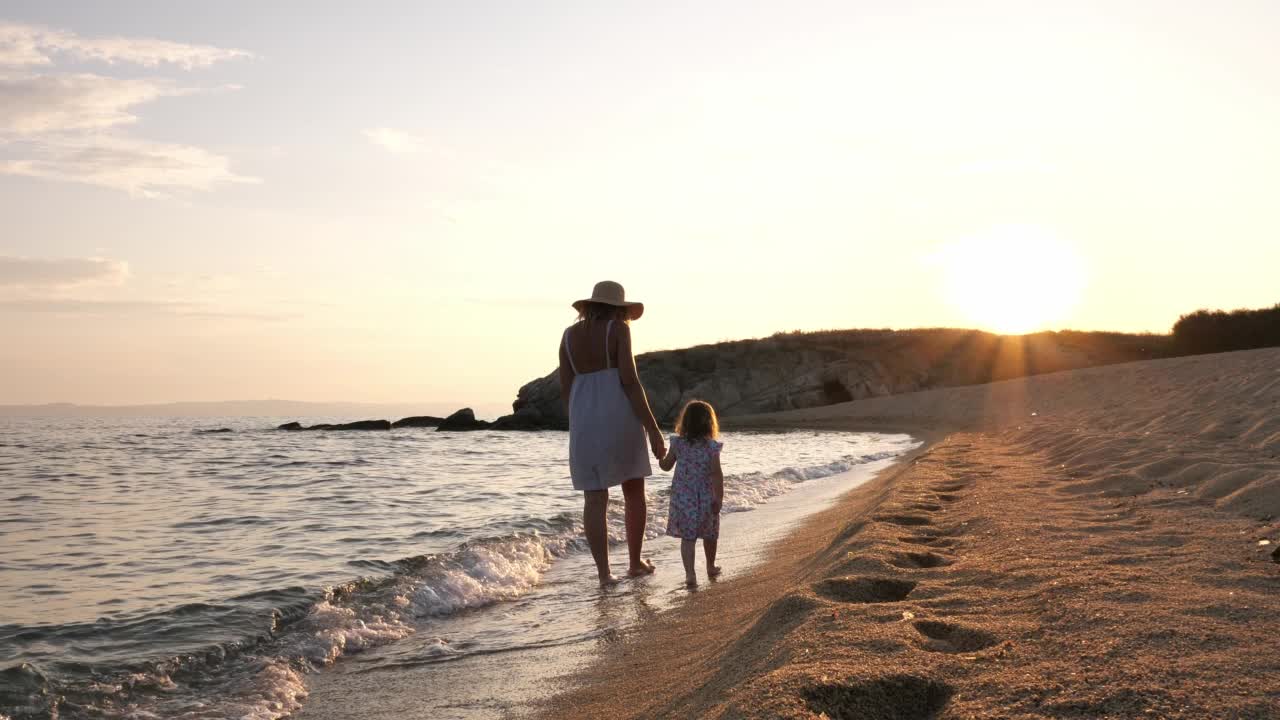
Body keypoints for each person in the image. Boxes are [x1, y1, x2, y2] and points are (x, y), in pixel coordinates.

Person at [559, 280, 666, 585]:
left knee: (594, 500)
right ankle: (634, 563)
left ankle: (604, 575)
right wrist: (653, 428)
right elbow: (630, 382)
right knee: (633, 492)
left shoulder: (568, 336)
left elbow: (566, 389)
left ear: (590, 305)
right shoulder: (618, 330)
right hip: (619, 417)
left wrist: (583, 419)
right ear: (618, 309)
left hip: (584, 423)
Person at [659, 400, 725, 586]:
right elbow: (716, 474)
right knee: (710, 535)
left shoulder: (678, 444)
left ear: (685, 422)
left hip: (683, 498)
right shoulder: (711, 447)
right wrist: (718, 497)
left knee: (688, 538)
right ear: (710, 423)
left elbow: (666, 466)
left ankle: (690, 574)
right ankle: (710, 566)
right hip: (706, 497)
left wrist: (659, 456)